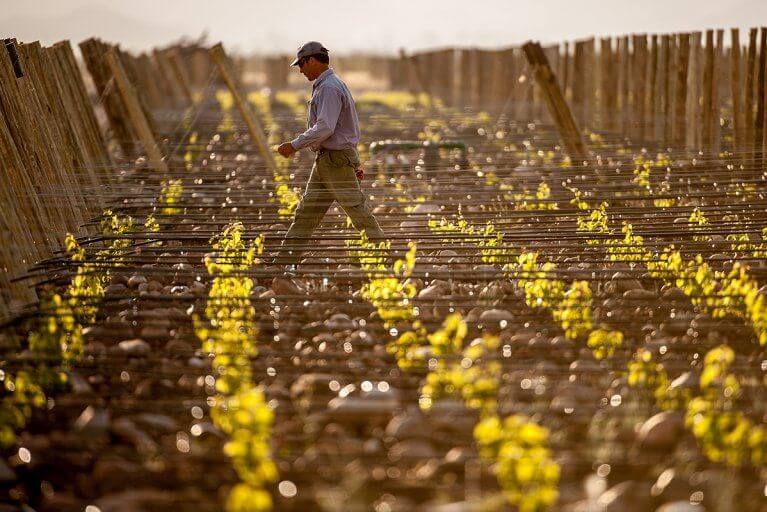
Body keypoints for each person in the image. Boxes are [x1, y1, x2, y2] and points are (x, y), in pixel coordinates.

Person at [275, 41, 385, 268]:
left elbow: (326, 127)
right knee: (306, 214)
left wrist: (294, 145)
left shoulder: (329, 88)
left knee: (358, 211)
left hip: (336, 161)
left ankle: (386, 258)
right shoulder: (327, 85)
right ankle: (283, 264)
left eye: (302, 65)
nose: (300, 70)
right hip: (328, 160)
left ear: (313, 60)